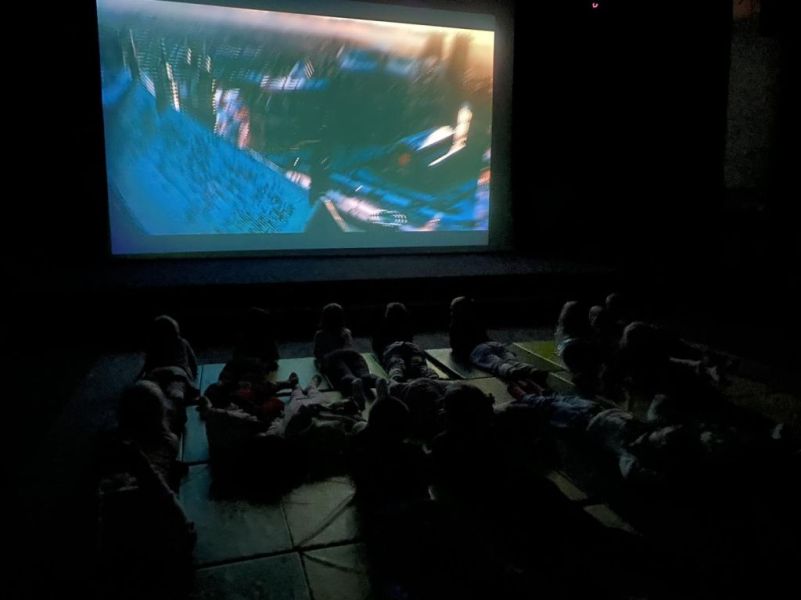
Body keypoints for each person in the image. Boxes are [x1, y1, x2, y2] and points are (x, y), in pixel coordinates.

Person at [449, 296, 546, 382]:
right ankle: (528, 369)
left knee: (495, 363)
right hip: (493, 344)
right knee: (509, 358)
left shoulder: (455, 325)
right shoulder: (476, 321)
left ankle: (509, 371)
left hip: (478, 349)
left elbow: (456, 346)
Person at [139, 315, 200, 433]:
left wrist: (143, 377)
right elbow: (193, 362)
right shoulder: (182, 342)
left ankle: (155, 413)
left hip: (157, 373)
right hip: (177, 372)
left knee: (153, 391)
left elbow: (148, 365)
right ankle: (176, 406)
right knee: (176, 388)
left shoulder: (154, 345)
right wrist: (192, 377)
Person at [314, 303, 378, 404]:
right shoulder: (324, 335)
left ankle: (359, 379)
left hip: (342, 357)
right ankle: (360, 380)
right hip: (339, 358)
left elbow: (320, 355)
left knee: (352, 363)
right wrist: (338, 353)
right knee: (344, 364)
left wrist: (336, 353)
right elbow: (321, 356)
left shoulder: (343, 333)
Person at [373, 302, 438, 382]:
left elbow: (376, 346)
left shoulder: (382, 329)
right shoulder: (407, 326)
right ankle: (429, 374)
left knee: (395, 361)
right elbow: (410, 338)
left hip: (392, 348)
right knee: (418, 362)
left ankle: (396, 375)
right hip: (411, 346)